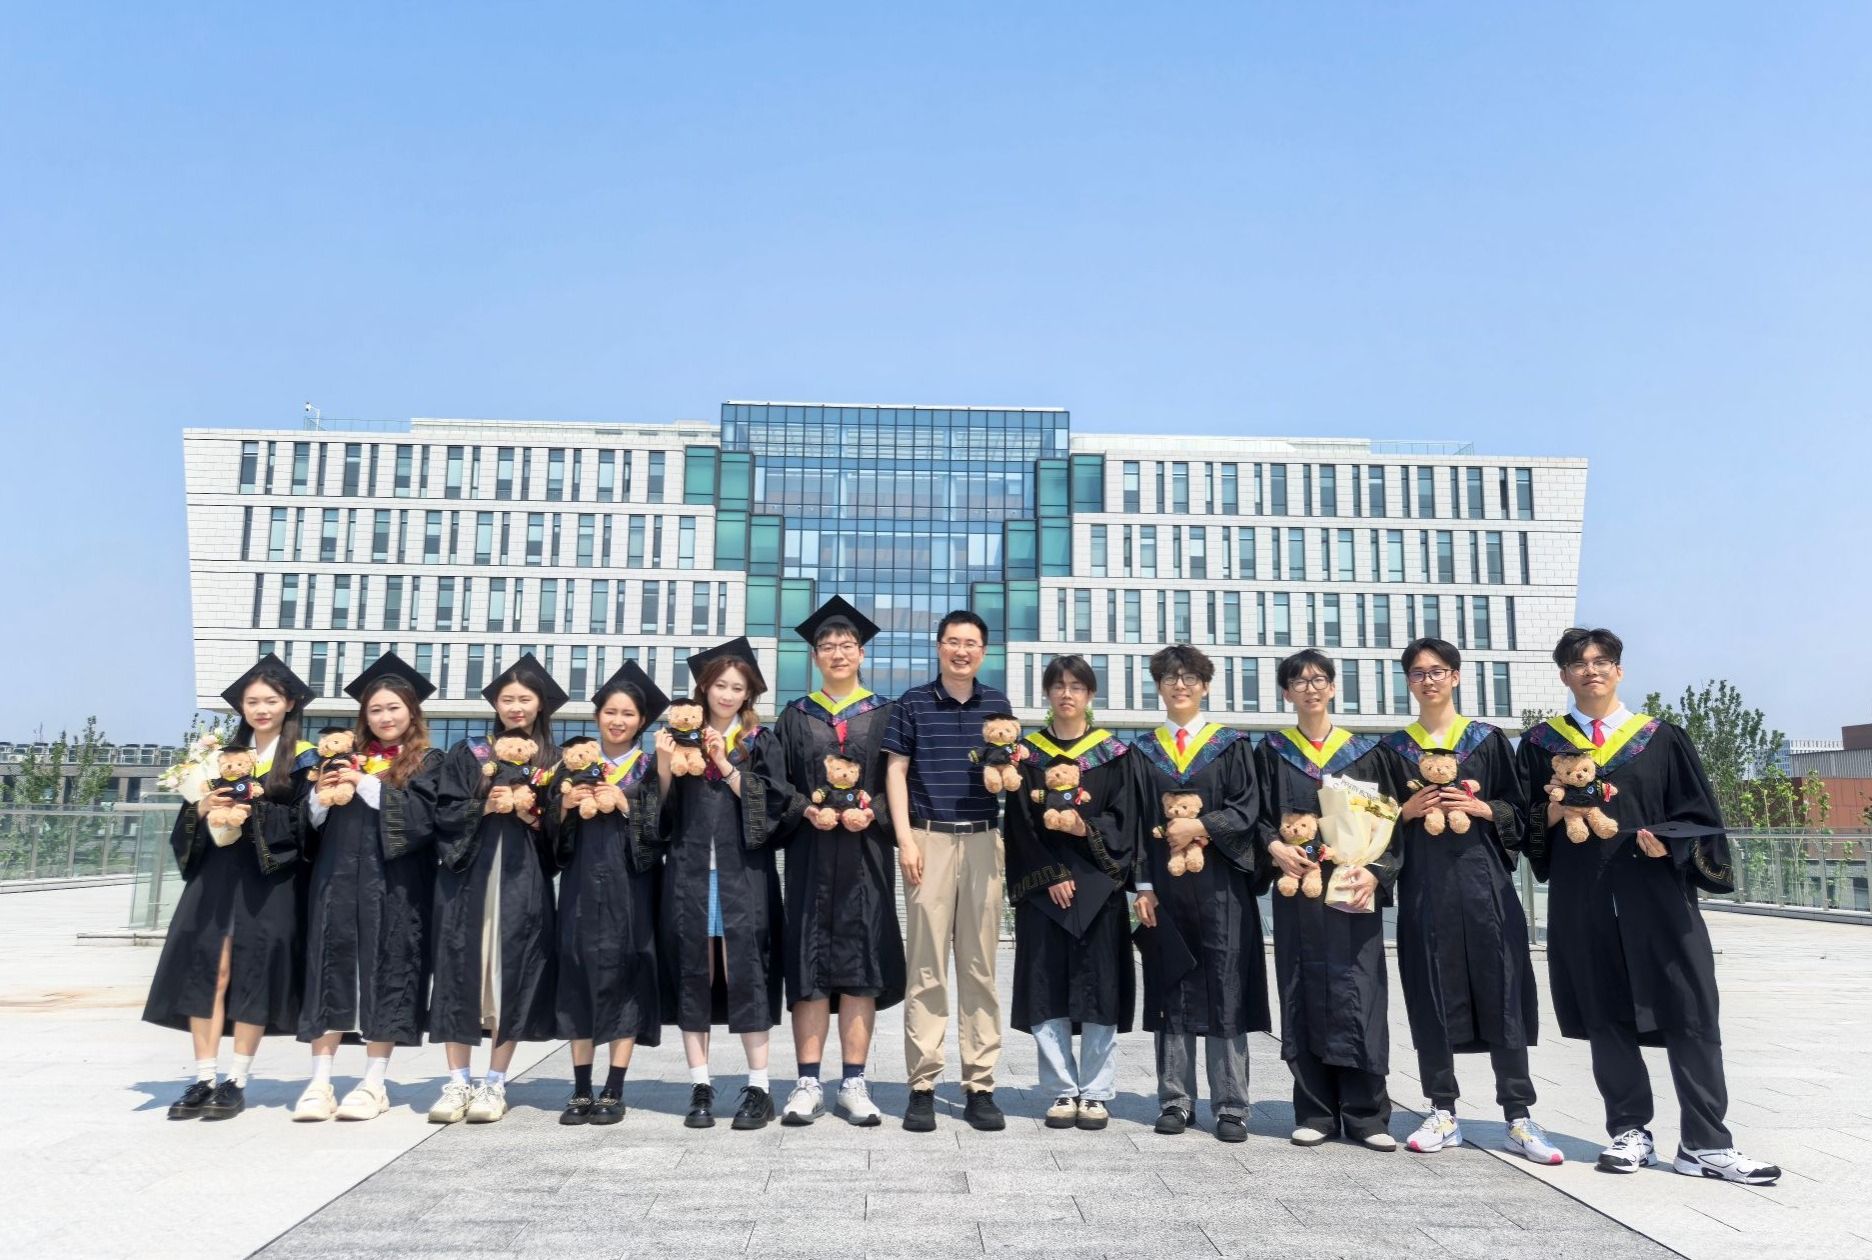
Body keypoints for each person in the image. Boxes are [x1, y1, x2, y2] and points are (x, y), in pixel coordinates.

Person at [1516, 627, 1780, 1184]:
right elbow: (1524, 825)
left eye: (1602, 661)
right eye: (1579, 663)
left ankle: (1706, 1144)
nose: (1591, 670)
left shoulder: (1661, 739)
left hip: (1659, 894)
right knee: (1605, 1011)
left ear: (1619, 670)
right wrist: (1556, 813)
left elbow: (1700, 817)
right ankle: (1629, 1131)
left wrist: (1672, 843)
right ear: (1564, 675)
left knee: (1691, 1008)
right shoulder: (1540, 746)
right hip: (1584, 898)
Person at [1378, 638, 1559, 1164]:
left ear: (1455, 676)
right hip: (1425, 889)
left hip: (1485, 888)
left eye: (1437, 670)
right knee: (1430, 990)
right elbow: (1373, 821)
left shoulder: (1488, 740)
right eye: (1418, 673)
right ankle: (1442, 1109)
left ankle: (1519, 1116)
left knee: (1503, 988)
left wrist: (1482, 810)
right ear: (1409, 682)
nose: (1428, 680)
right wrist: (1406, 812)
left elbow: (1521, 811)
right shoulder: (1392, 750)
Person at [146, 654, 318, 1121]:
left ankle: (236, 1080)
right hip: (217, 874)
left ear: (289, 704)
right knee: (209, 968)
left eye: (271, 700)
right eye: (252, 701)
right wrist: (202, 807)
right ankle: (204, 1077)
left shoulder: (304, 758)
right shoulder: (218, 758)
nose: (261, 709)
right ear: (241, 707)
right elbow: (190, 818)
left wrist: (256, 808)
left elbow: (307, 825)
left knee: (254, 972)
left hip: (270, 876)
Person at [1257, 648, 1402, 1151]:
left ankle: (1368, 1116)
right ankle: (1315, 1112)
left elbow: (1390, 822)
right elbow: (1255, 817)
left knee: (1361, 992)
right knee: (1301, 989)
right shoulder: (1270, 753)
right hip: (1298, 895)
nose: (1310, 688)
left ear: (1333, 687)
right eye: (1299, 681)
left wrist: (1377, 873)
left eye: (1319, 679)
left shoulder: (1365, 753)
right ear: (1286, 693)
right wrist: (1273, 846)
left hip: (1352, 890)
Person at [767, 598, 905, 1127]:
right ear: (815, 657)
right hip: (810, 856)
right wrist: (806, 809)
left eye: (848, 645)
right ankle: (808, 1083)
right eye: (827, 646)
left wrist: (875, 815)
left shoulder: (886, 713)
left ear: (862, 654)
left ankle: (853, 1083)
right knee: (808, 965)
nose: (838, 653)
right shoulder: (795, 716)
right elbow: (776, 783)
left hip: (866, 859)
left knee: (860, 968)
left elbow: (901, 783)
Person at [293, 652, 442, 1123]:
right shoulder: (336, 759)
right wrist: (320, 795)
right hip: (335, 878)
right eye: (375, 709)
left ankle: (374, 1083)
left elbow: (422, 821)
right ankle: (319, 1082)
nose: (385, 717)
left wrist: (362, 782)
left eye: (394, 708)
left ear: (412, 712)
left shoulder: (427, 762)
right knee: (327, 967)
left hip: (394, 884)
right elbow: (309, 825)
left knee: (389, 968)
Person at [1129, 644, 1269, 1142]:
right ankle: (1175, 1100)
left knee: (1226, 985)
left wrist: (1200, 826)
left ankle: (1231, 1105)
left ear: (1205, 685)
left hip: (1222, 887)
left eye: (1190, 677)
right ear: (1159, 687)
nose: (1180, 685)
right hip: (1165, 887)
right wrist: (1143, 886)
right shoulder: (1143, 751)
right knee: (1172, 982)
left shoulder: (1231, 745)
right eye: (1170, 678)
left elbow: (1247, 809)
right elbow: (1138, 822)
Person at [656, 637, 796, 1131]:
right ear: (704, 688)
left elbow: (775, 804)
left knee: (748, 971)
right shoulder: (679, 737)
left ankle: (759, 1086)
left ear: (748, 694)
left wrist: (724, 763)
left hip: (743, 874)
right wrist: (663, 763)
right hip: (690, 873)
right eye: (720, 685)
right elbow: (661, 813)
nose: (728, 694)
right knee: (694, 971)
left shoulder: (759, 741)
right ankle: (700, 1084)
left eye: (738, 687)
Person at [881, 610, 1013, 1133]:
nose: (962, 651)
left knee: (980, 967)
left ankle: (980, 1084)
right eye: (953, 642)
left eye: (971, 643)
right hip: (928, 841)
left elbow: (1006, 768)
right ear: (939, 647)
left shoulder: (997, 704)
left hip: (983, 840)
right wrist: (905, 839)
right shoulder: (912, 703)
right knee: (927, 967)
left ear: (983, 651)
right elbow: (896, 772)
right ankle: (922, 1085)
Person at [425, 653, 565, 1125]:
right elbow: (442, 813)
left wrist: (529, 812)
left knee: (513, 972)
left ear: (540, 705)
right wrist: (484, 806)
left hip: (522, 880)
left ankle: (495, 1082)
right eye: (507, 699)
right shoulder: (469, 753)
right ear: (496, 705)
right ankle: (457, 1081)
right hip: (467, 877)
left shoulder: (553, 762)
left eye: (525, 699)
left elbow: (562, 834)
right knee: (458, 970)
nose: (516, 707)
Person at [1002, 655, 1136, 1132]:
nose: (1066, 693)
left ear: (1090, 695)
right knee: (1046, 988)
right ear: (1047, 694)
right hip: (1045, 892)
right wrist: (1050, 875)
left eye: (1076, 686)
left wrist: (1085, 828)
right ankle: (1061, 1088)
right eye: (1058, 686)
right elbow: (1019, 824)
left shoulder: (1114, 755)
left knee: (1101, 987)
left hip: (1100, 890)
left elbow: (1125, 820)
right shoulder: (1027, 756)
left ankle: (1096, 1092)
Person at [554, 660, 669, 1126]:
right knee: (576, 971)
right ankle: (581, 1088)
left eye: (628, 714)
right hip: (580, 884)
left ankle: (613, 1088)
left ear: (641, 722)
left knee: (629, 974)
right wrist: (563, 807)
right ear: (597, 715)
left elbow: (663, 830)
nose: (618, 721)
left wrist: (627, 806)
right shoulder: (574, 765)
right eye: (610, 712)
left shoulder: (649, 768)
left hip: (631, 886)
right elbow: (551, 838)